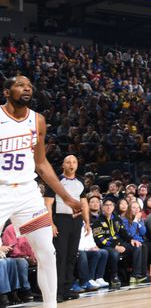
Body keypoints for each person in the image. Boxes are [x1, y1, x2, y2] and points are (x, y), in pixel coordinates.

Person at [0, 76, 83, 308]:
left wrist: (66, 197)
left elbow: (42, 163)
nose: (26, 88)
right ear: (6, 92)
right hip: (1, 191)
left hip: (27, 192)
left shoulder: (37, 120)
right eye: (19, 85)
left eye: (29, 86)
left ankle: (50, 306)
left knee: (47, 251)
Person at [43, 154, 90, 301]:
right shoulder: (56, 181)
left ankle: (67, 288)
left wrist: (87, 222)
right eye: (68, 162)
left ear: (77, 164)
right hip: (60, 220)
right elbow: (48, 204)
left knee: (71, 256)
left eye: (74, 162)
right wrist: (51, 223)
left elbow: (84, 203)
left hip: (75, 221)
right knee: (61, 257)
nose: (71, 164)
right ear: (63, 165)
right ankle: (56, 291)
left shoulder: (81, 182)